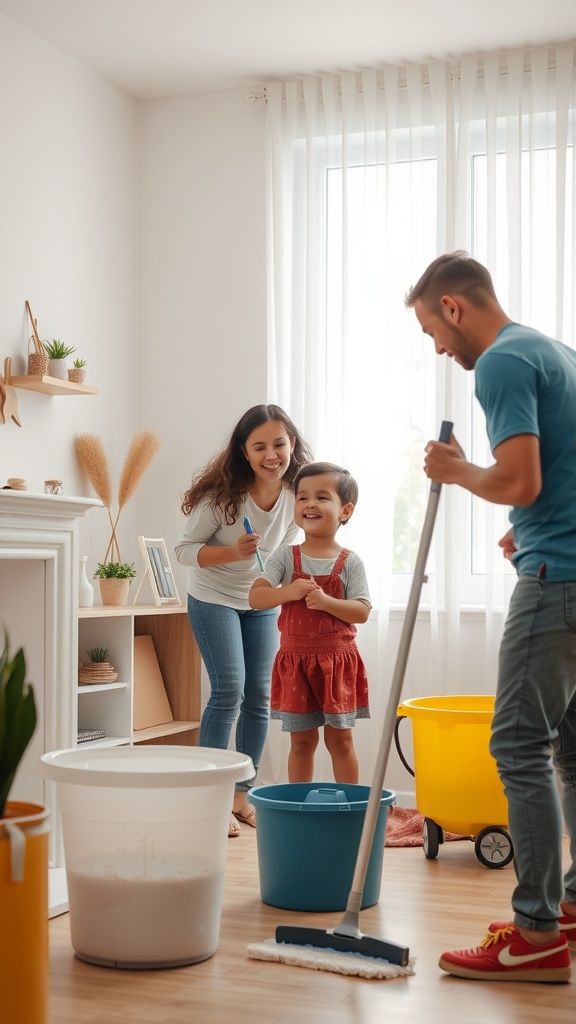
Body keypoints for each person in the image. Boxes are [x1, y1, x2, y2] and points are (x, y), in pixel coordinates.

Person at [406, 250, 576, 983]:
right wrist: (530, 521)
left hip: (554, 582)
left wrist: (457, 471)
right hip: (567, 562)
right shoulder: (555, 351)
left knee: (516, 745)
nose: (439, 349)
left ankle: (536, 935)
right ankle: (567, 904)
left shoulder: (502, 362)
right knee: (570, 753)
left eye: (431, 331)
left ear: (453, 306)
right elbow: (554, 479)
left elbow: (521, 477)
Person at [175, 404, 313, 837]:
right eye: (260, 447)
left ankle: (241, 795)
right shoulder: (224, 500)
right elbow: (184, 551)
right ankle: (208, 798)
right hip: (212, 596)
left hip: (259, 601)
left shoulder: (295, 496)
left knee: (260, 695)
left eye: (279, 444)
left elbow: (280, 554)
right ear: (245, 452)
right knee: (229, 690)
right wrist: (232, 552)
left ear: (291, 446)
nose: (271, 454)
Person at [249, 461, 371, 784]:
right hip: (297, 664)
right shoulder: (285, 557)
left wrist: (327, 602)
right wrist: (288, 591)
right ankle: (298, 809)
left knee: (340, 741)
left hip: (336, 665)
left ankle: (350, 808)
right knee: (302, 743)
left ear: (345, 511)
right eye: (302, 498)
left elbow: (361, 610)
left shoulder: (350, 561)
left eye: (321, 497)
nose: (310, 504)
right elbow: (256, 597)